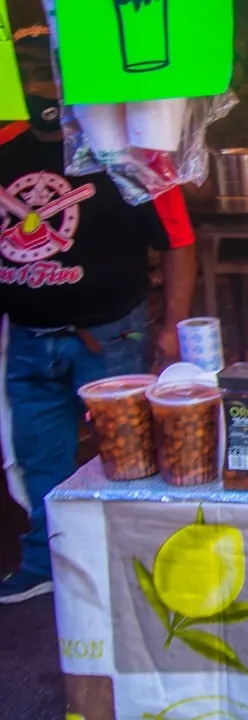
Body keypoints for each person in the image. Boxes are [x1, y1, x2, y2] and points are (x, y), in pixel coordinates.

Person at [0, 24, 197, 603]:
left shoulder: (122, 146)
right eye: (30, 69)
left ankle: (127, 568)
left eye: (53, 68)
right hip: (30, 339)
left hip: (109, 335)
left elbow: (178, 240)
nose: (44, 84)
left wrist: (173, 328)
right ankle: (49, 563)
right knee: (41, 458)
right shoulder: (3, 146)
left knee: (126, 457)